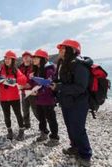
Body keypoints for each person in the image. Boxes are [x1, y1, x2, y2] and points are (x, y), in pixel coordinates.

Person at [50, 39, 92, 167]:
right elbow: (63, 81)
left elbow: (81, 87)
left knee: (78, 129)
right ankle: (74, 147)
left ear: (73, 50)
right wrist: (55, 86)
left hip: (79, 103)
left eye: (64, 48)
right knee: (70, 127)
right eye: (60, 48)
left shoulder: (79, 65)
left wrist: (59, 87)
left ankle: (85, 154)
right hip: (67, 102)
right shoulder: (63, 63)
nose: (60, 51)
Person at [30, 49, 59, 146]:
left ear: (42, 59)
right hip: (39, 100)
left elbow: (49, 86)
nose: (33, 59)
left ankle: (55, 138)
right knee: (41, 118)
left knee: (51, 119)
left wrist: (37, 92)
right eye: (33, 57)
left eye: (36, 57)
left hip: (48, 99)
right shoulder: (37, 70)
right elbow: (35, 83)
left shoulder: (49, 70)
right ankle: (44, 133)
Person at [0, 50, 27, 141]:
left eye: (9, 59)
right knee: (7, 115)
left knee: (18, 114)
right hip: (3, 97)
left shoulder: (16, 70)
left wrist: (15, 80)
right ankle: (9, 131)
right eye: (5, 58)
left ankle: (21, 131)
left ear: (13, 60)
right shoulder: (0, 69)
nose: (7, 60)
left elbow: (23, 80)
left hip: (14, 97)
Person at [18, 51, 38, 129]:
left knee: (35, 109)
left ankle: (42, 124)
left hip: (32, 91)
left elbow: (36, 79)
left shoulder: (34, 66)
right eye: (24, 57)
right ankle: (27, 124)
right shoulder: (20, 67)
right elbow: (18, 78)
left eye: (27, 56)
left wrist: (29, 84)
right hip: (23, 92)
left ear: (31, 58)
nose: (25, 58)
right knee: (25, 109)